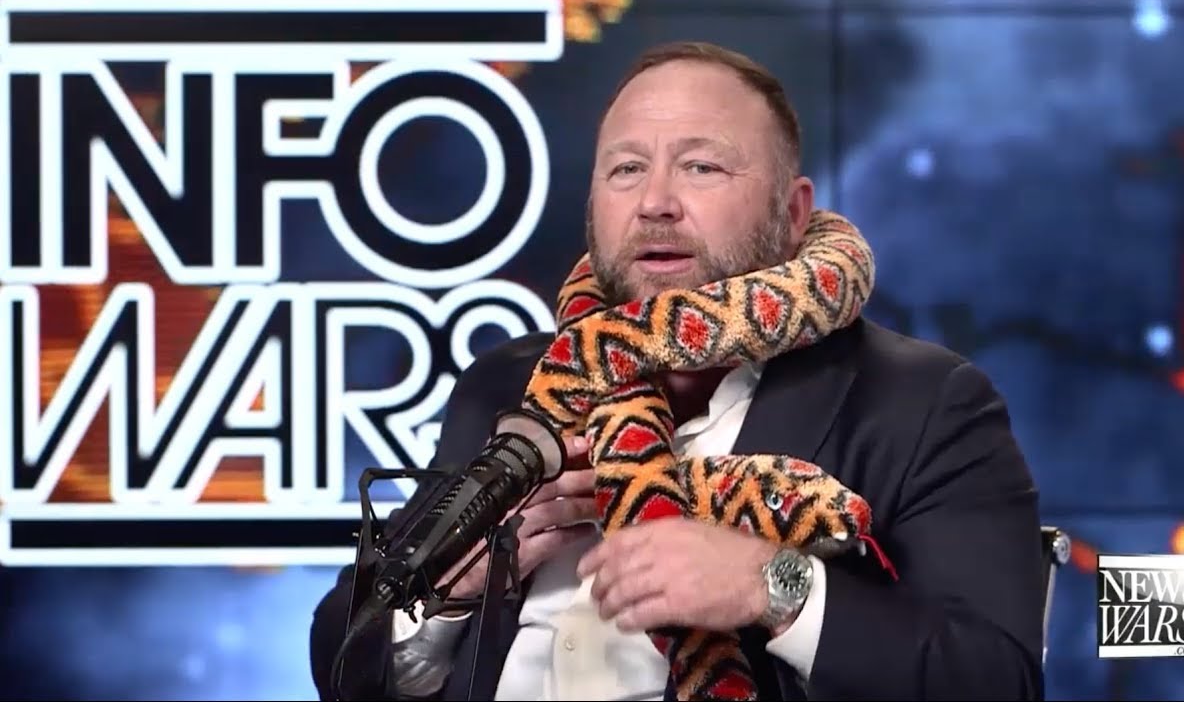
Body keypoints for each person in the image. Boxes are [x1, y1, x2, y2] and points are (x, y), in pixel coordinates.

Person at [310, 41, 1046, 702]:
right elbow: (341, 657)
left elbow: (995, 678)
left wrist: (771, 586)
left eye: (701, 167)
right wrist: (448, 593)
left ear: (793, 214)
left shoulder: (922, 403)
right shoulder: (509, 384)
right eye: (627, 169)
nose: (655, 204)